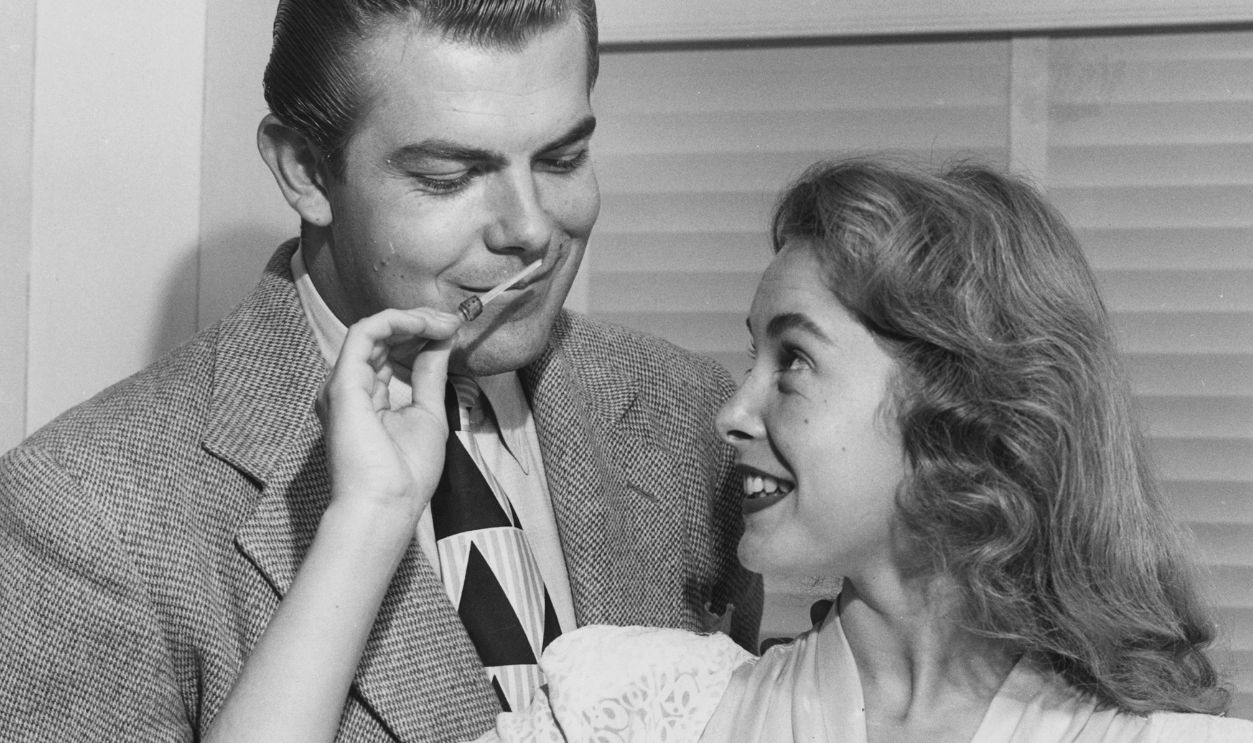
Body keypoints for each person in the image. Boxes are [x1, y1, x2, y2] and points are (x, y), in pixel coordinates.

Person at [267, 156, 1253, 742]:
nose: (728, 410)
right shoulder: (639, 712)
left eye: (791, 359)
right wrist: (373, 508)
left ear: (958, 401)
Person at [0, 1, 760, 740]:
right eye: (448, 176)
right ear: (303, 171)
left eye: (562, 159)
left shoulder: (693, 410)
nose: (530, 229)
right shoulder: (83, 509)